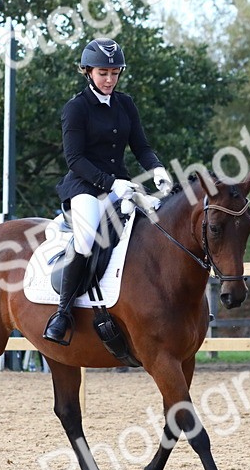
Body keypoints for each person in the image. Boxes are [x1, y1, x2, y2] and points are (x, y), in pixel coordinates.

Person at [43, 37, 173, 345]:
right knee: (87, 239)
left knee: (156, 221)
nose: (110, 80)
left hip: (121, 184)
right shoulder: (76, 108)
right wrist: (110, 183)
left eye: (115, 73)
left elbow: (141, 146)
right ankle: (63, 313)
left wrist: (157, 168)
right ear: (88, 72)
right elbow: (75, 159)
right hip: (86, 187)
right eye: (103, 73)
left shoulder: (125, 104)